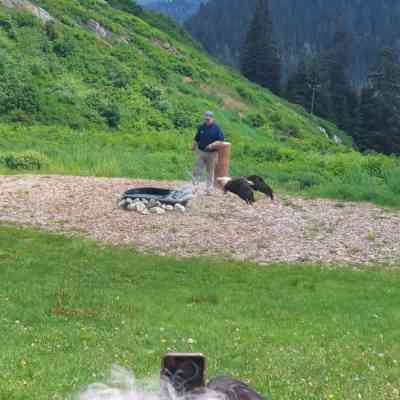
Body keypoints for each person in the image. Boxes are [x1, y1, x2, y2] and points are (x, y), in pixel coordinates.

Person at [192, 111, 225, 192]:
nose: (207, 120)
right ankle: (195, 186)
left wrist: (212, 145)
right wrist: (193, 146)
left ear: (212, 118)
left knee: (210, 171)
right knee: (197, 169)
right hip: (201, 151)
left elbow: (221, 140)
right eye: (206, 119)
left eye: (208, 119)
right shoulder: (201, 127)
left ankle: (209, 188)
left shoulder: (217, 128)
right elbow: (197, 138)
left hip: (212, 153)